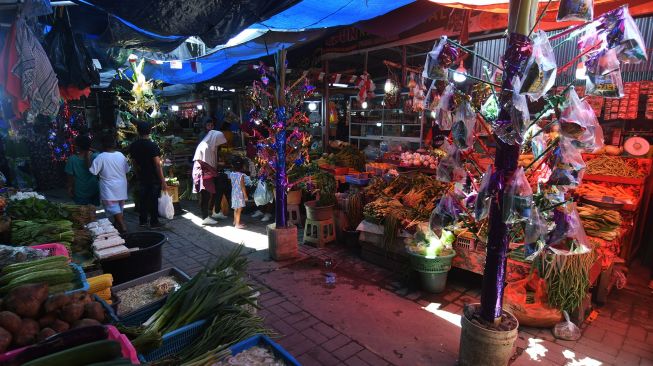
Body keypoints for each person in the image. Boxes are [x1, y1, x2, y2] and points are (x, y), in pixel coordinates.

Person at [129, 121, 168, 229]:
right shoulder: (152, 145)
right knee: (153, 199)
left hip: (142, 176)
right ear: (150, 131)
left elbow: (134, 162)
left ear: (138, 131)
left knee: (143, 199)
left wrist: (137, 174)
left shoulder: (134, 145)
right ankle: (154, 222)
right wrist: (163, 181)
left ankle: (143, 221)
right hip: (153, 177)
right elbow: (157, 164)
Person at [90, 134, 130, 233]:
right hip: (121, 185)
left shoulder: (101, 157)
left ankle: (122, 225)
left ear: (102, 145)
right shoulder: (120, 155)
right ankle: (117, 224)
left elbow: (93, 171)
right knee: (119, 207)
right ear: (114, 144)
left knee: (112, 207)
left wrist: (88, 157)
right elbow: (127, 170)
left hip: (108, 187)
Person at [192, 130, 226, 225]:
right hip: (203, 173)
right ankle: (205, 217)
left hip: (208, 173)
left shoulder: (210, 145)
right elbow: (204, 162)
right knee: (205, 196)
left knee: (216, 191)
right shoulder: (206, 146)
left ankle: (216, 212)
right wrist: (214, 171)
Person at [65, 135, 100, 206]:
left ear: (77, 146)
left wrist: (70, 188)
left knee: (82, 213)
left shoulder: (72, 159)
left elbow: (70, 177)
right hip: (94, 189)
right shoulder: (96, 156)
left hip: (80, 192)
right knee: (93, 212)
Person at [228, 158, 248, 229]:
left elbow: (231, 183)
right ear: (242, 166)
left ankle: (235, 221)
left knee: (235, 208)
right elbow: (242, 186)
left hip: (233, 192)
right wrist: (245, 196)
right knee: (239, 209)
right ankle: (237, 224)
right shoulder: (241, 175)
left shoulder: (231, 174)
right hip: (239, 193)